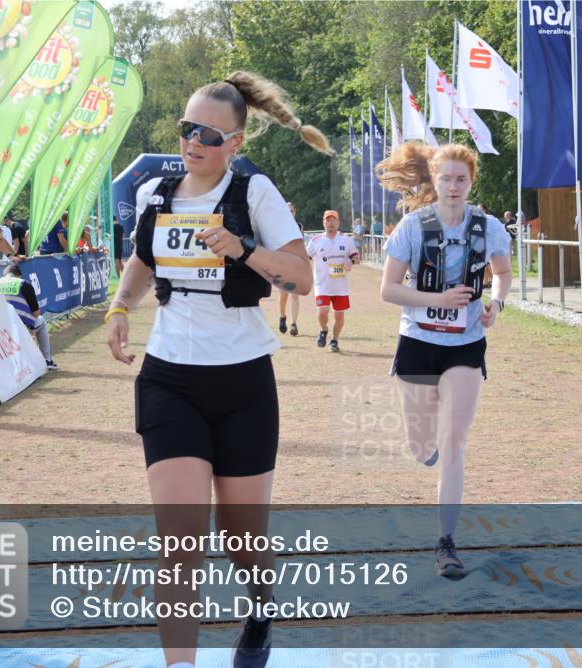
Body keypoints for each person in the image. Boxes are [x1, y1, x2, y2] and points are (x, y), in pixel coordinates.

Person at [105, 70, 329, 668]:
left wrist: (244, 249)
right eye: (187, 128)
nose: (193, 141)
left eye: (208, 132)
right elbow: (141, 259)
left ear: (235, 143)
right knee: (179, 542)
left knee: (241, 534)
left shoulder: (254, 194)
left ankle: (261, 602)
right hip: (169, 379)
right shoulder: (156, 192)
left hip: (243, 381)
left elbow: (303, 279)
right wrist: (122, 306)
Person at [377, 142, 512, 579]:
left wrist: (496, 303)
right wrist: (438, 299)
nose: (453, 187)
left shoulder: (488, 227)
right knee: (422, 446)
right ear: (433, 181)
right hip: (417, 341)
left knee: (454, 441)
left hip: (465, 344)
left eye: (461, 179)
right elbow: (389, 290)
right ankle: (427, 452)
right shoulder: (413, 227)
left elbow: (504, 273)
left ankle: (446, 543)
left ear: (471, 182)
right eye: (446, 178)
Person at [0, 264, 58, 370]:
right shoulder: (24, 284)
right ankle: (46, 360)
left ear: (4, 275)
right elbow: (36, 313)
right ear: (19, 275)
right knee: (41, 321)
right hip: (18, 326)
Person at [306, 210, 359, 352]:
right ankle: (323, 330)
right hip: (322, 284)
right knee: (323, 312)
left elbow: (356, 257)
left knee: (339, 314)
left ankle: (334, 340)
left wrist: (350, 261)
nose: (331, 223)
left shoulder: (346, 240)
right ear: (323, 222)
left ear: (338, 222)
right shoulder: (315, 241)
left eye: (333, 220)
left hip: (340, 286)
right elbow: (306, 258)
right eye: (328, 220)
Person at [277, 203, 302, 336]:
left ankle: (294, 324)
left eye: (291, 210)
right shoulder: (277, 226)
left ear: (295, 212)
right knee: (283, 296)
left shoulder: (299, 227)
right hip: (282, 264)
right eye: (287, 210)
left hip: (295, 265)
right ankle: (282, 317)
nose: (289, 212)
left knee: (294, 295)